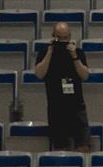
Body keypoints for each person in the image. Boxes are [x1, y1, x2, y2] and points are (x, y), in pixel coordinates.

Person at [34, 21, 91, 151]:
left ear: (70, 37)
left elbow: (85, 75)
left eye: (65, 38)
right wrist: (50, 52)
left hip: (76, 106)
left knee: (83, 146)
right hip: (56, 108)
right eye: (59, 38)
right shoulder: (44, 53)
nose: (62, 41)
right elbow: (39, 74)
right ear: (53, 36)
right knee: (61, 149)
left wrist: (74, 57)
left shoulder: (78, 52)